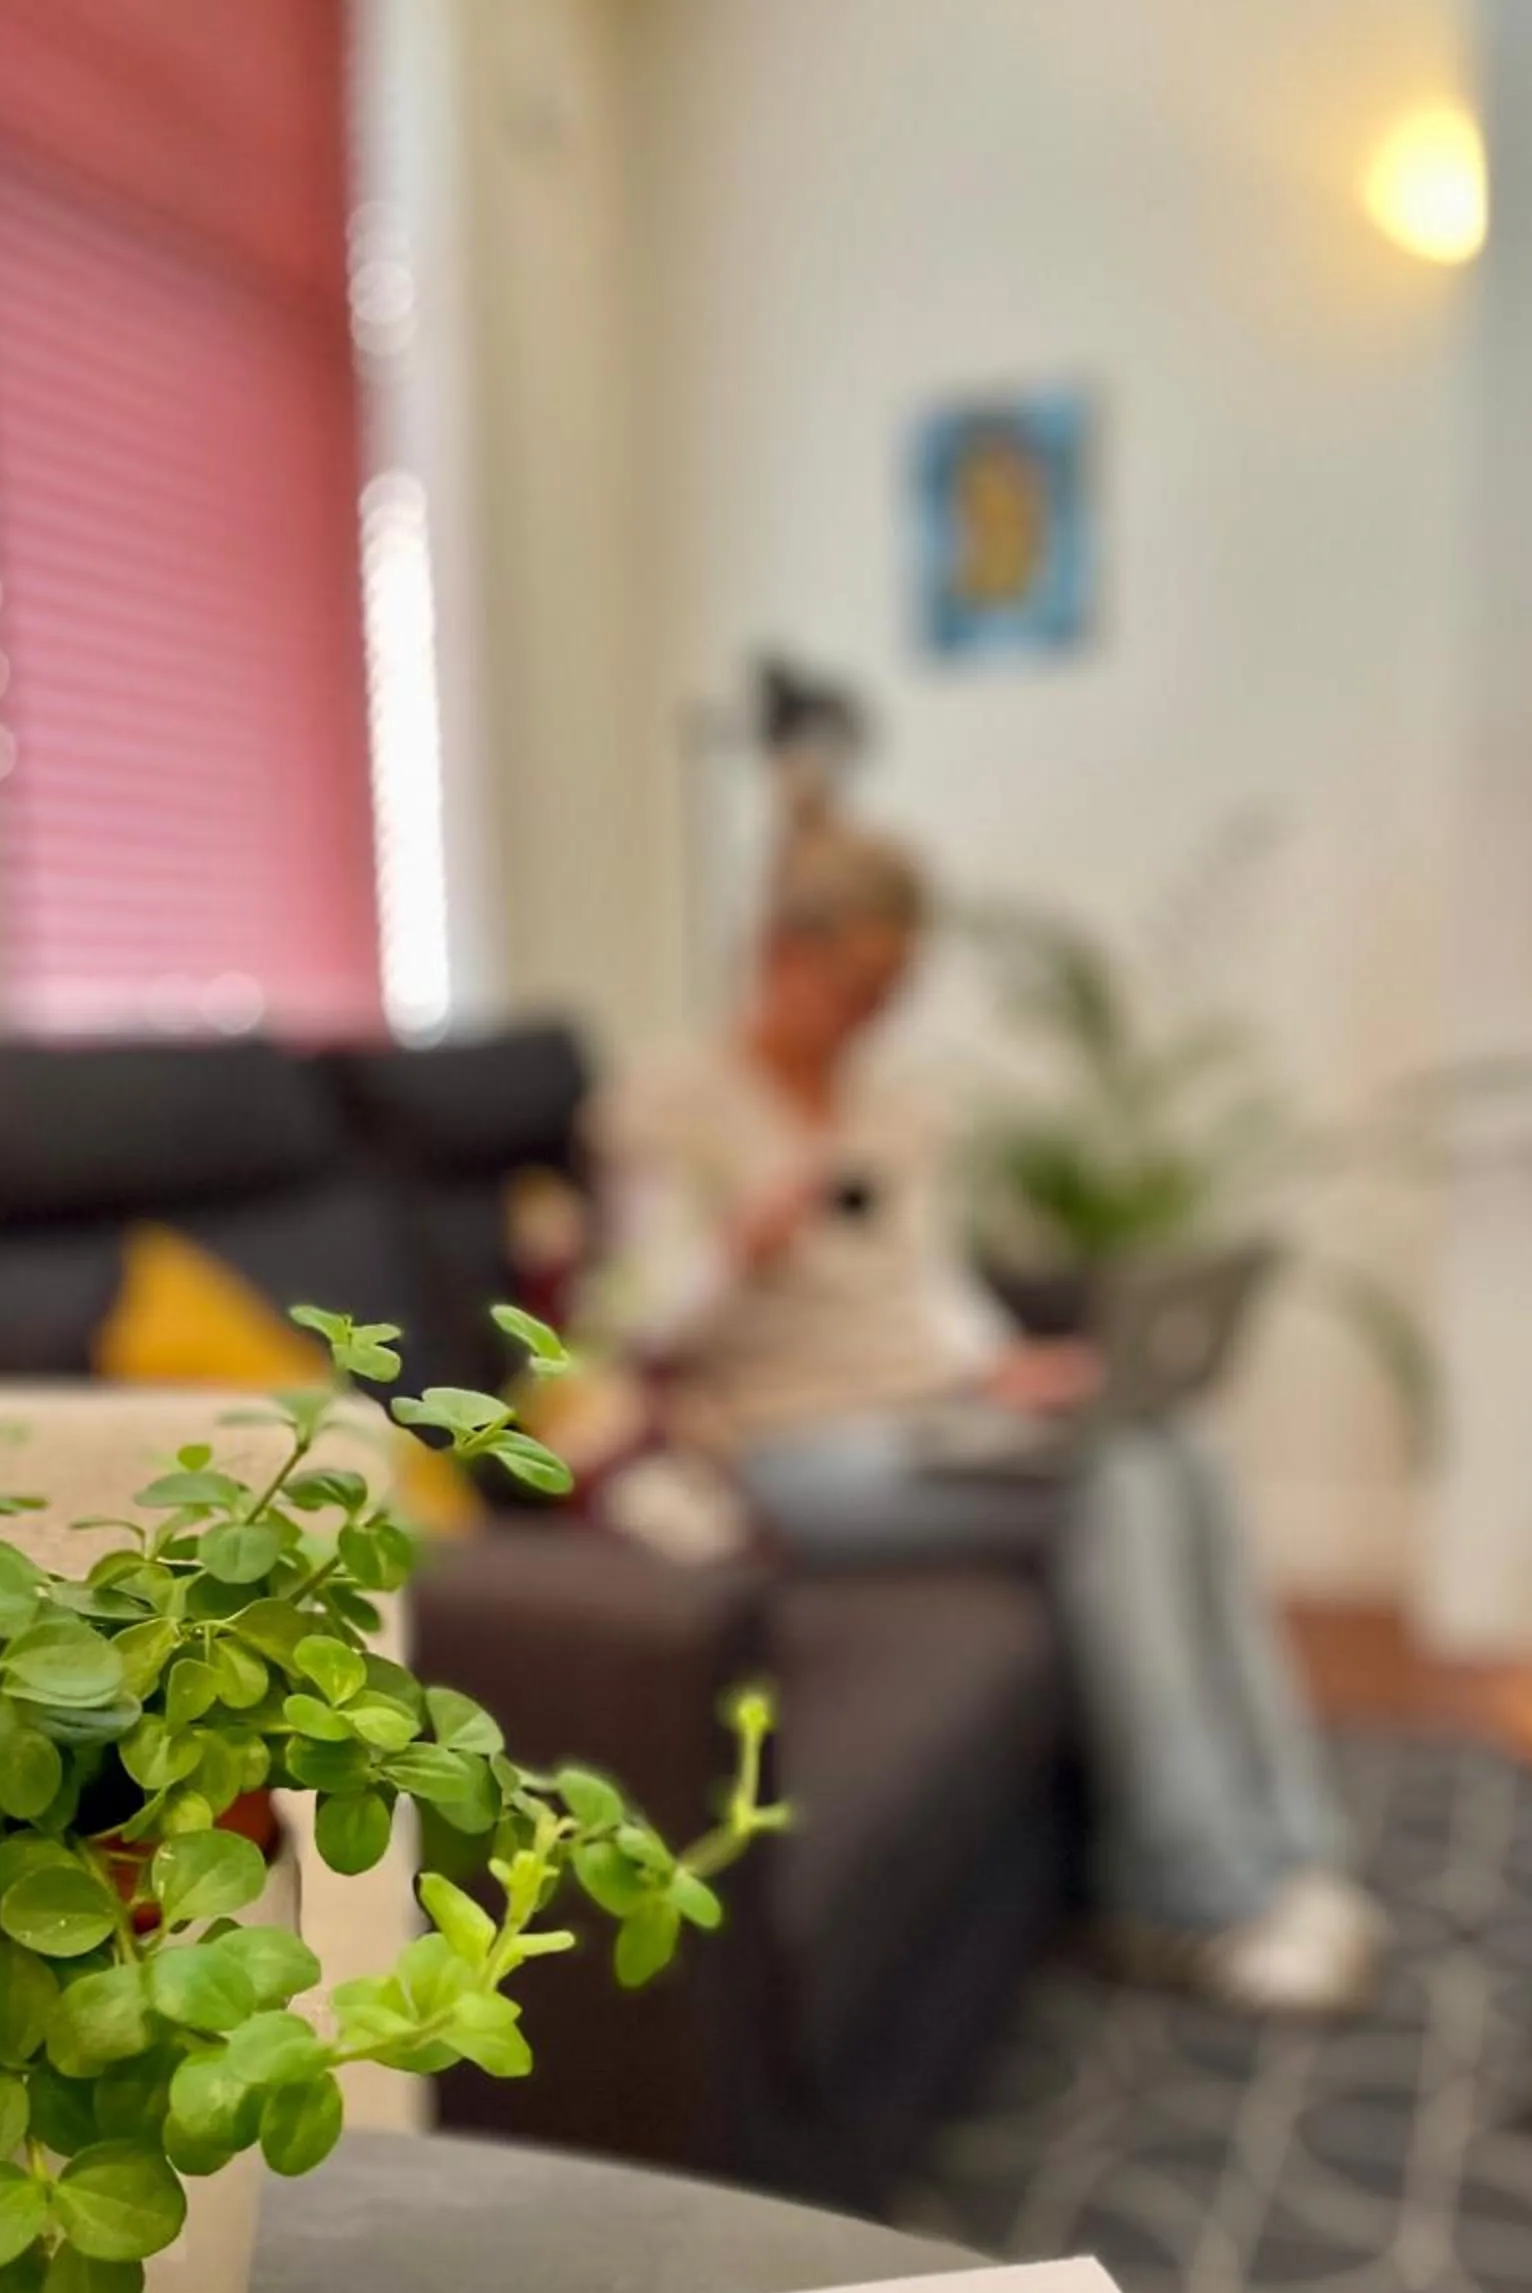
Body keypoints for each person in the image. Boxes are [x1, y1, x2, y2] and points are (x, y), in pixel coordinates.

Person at [591, 807, 1386, 2018]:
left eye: (895, 990)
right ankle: (1195, 1892)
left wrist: (1003, 1366)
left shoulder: (895, 1110)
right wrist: (737, 1247)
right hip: (784, 1448)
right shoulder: (667, 1100)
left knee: (1170, 1441)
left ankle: (1296, 1843)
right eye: (858, 985)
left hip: (923, 1420)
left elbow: (934, 1288)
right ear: (782, 956)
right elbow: (634, 1320)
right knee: (1107, 1487)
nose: (875, 1016)